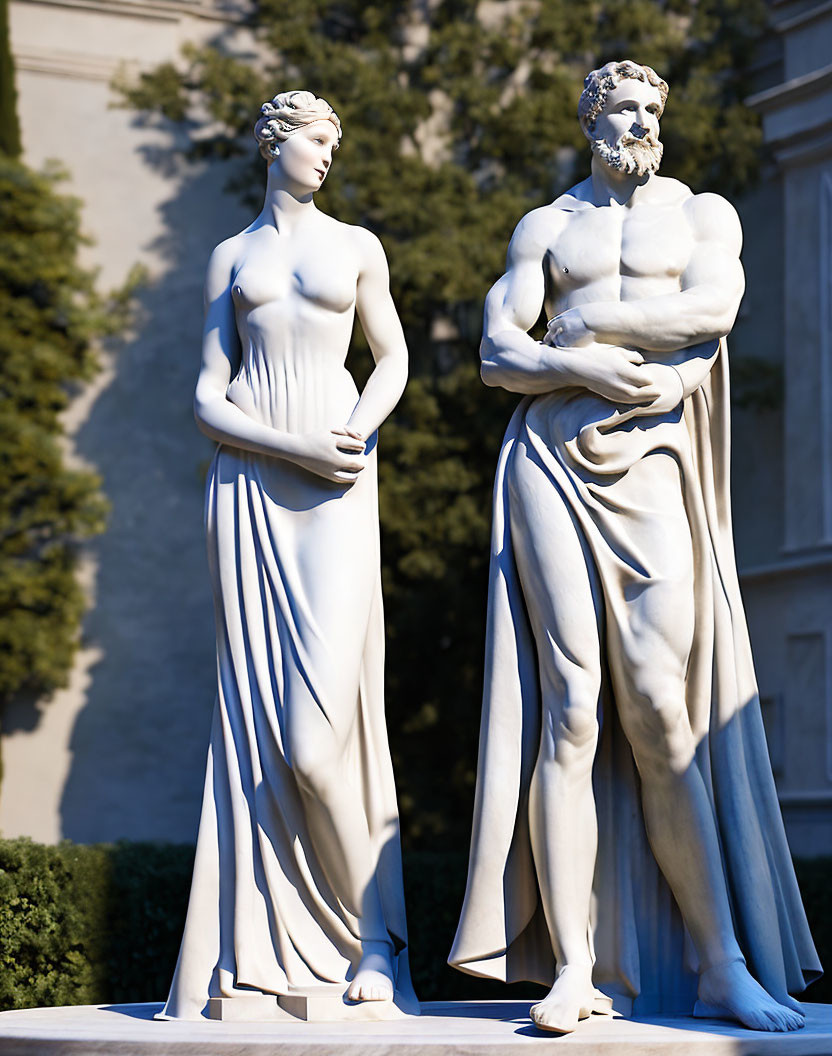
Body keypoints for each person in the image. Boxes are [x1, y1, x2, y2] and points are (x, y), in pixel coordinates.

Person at [449, 60, 821, 1034]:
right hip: (549, 462)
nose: (642, 122)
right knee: (570, 713)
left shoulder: (700, 214)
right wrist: (572, 360)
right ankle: (573, 967)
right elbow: (498, 350)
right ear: (589, 117)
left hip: (651, 464)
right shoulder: (547, 225)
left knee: (662, 711)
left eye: (653, 109)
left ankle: (720, 963)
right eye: (623, 107)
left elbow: (711, 310)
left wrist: (588, 322)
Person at [159, 90, 414, 1019]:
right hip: (253, 492)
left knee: (319, 737)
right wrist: (291, 446)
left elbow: (390, 357)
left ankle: (375, 941)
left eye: (336, 139)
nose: (328, 153)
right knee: (269, 738)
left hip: (340, 486)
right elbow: (207, 396)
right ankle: (289, 948)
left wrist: (347, 431)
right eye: (317, 137)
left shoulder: (357, 247)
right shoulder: (231, 257)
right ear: (275, 142)